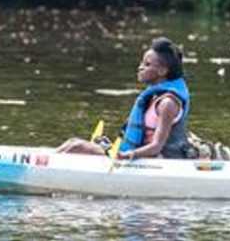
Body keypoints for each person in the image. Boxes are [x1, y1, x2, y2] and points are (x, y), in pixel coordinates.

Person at [57, 37, 193, 159]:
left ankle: (43, 167)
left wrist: (127, 155)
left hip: (161, 160)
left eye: (147, 65)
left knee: (77, 147)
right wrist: (112, 145)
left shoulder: (167, 103)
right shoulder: (153, 97)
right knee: (73, 142)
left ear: (163, 71)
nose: (140, 68)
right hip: (141, 155)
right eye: (141, 63)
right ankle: (45, 161)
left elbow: (156, 146)